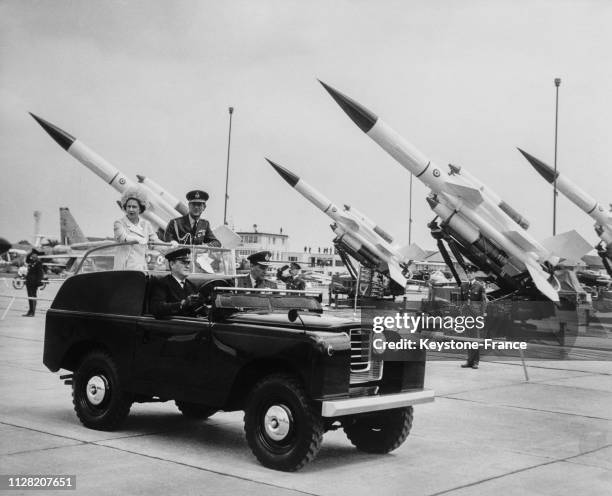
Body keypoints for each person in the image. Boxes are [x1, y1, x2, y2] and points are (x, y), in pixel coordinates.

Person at [113, 187, 160, 270]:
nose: (131, 209)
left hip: (140, 269)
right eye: (128, 206)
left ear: (140, 209)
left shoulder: (146, 224)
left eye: (134, 207)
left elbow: (156, 243)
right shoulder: (119, 223)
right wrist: (141, 239)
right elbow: (124, 238)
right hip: (123, 269)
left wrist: (172, 245)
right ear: (125, 208)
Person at [149, 247, 202, 317]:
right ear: (172, 264)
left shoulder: (192, 286)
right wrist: (182, 304)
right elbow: (157, 308)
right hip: (171, 325)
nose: (188, 266)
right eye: (183, 262)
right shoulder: (162, 283)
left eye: (188, 262)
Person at [460, 265, 488, 369]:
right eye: (467, 273)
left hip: (476, 317)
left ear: (474, 274)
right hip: (467, 317)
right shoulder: (463, 286)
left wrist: (482, 316)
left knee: (475, 339)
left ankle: (476, 361)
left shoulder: (480, 286)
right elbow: (462, 302)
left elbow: (484, 303)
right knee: (468, 339)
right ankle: (469, 361)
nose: (469, 274)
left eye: (471, 273)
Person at [23, 248, 46, 317]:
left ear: (37, 256)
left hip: (34, 283)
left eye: (34, 255)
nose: (33, 256)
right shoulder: (31, 262)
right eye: (32, 255)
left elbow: (40, 273)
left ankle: (32, 312)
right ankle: (30, 311)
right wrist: (31, 252)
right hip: (29, 282)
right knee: (30, 297)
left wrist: (39, 282)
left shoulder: (39, 263)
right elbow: (27, 258)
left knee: (33, 297)